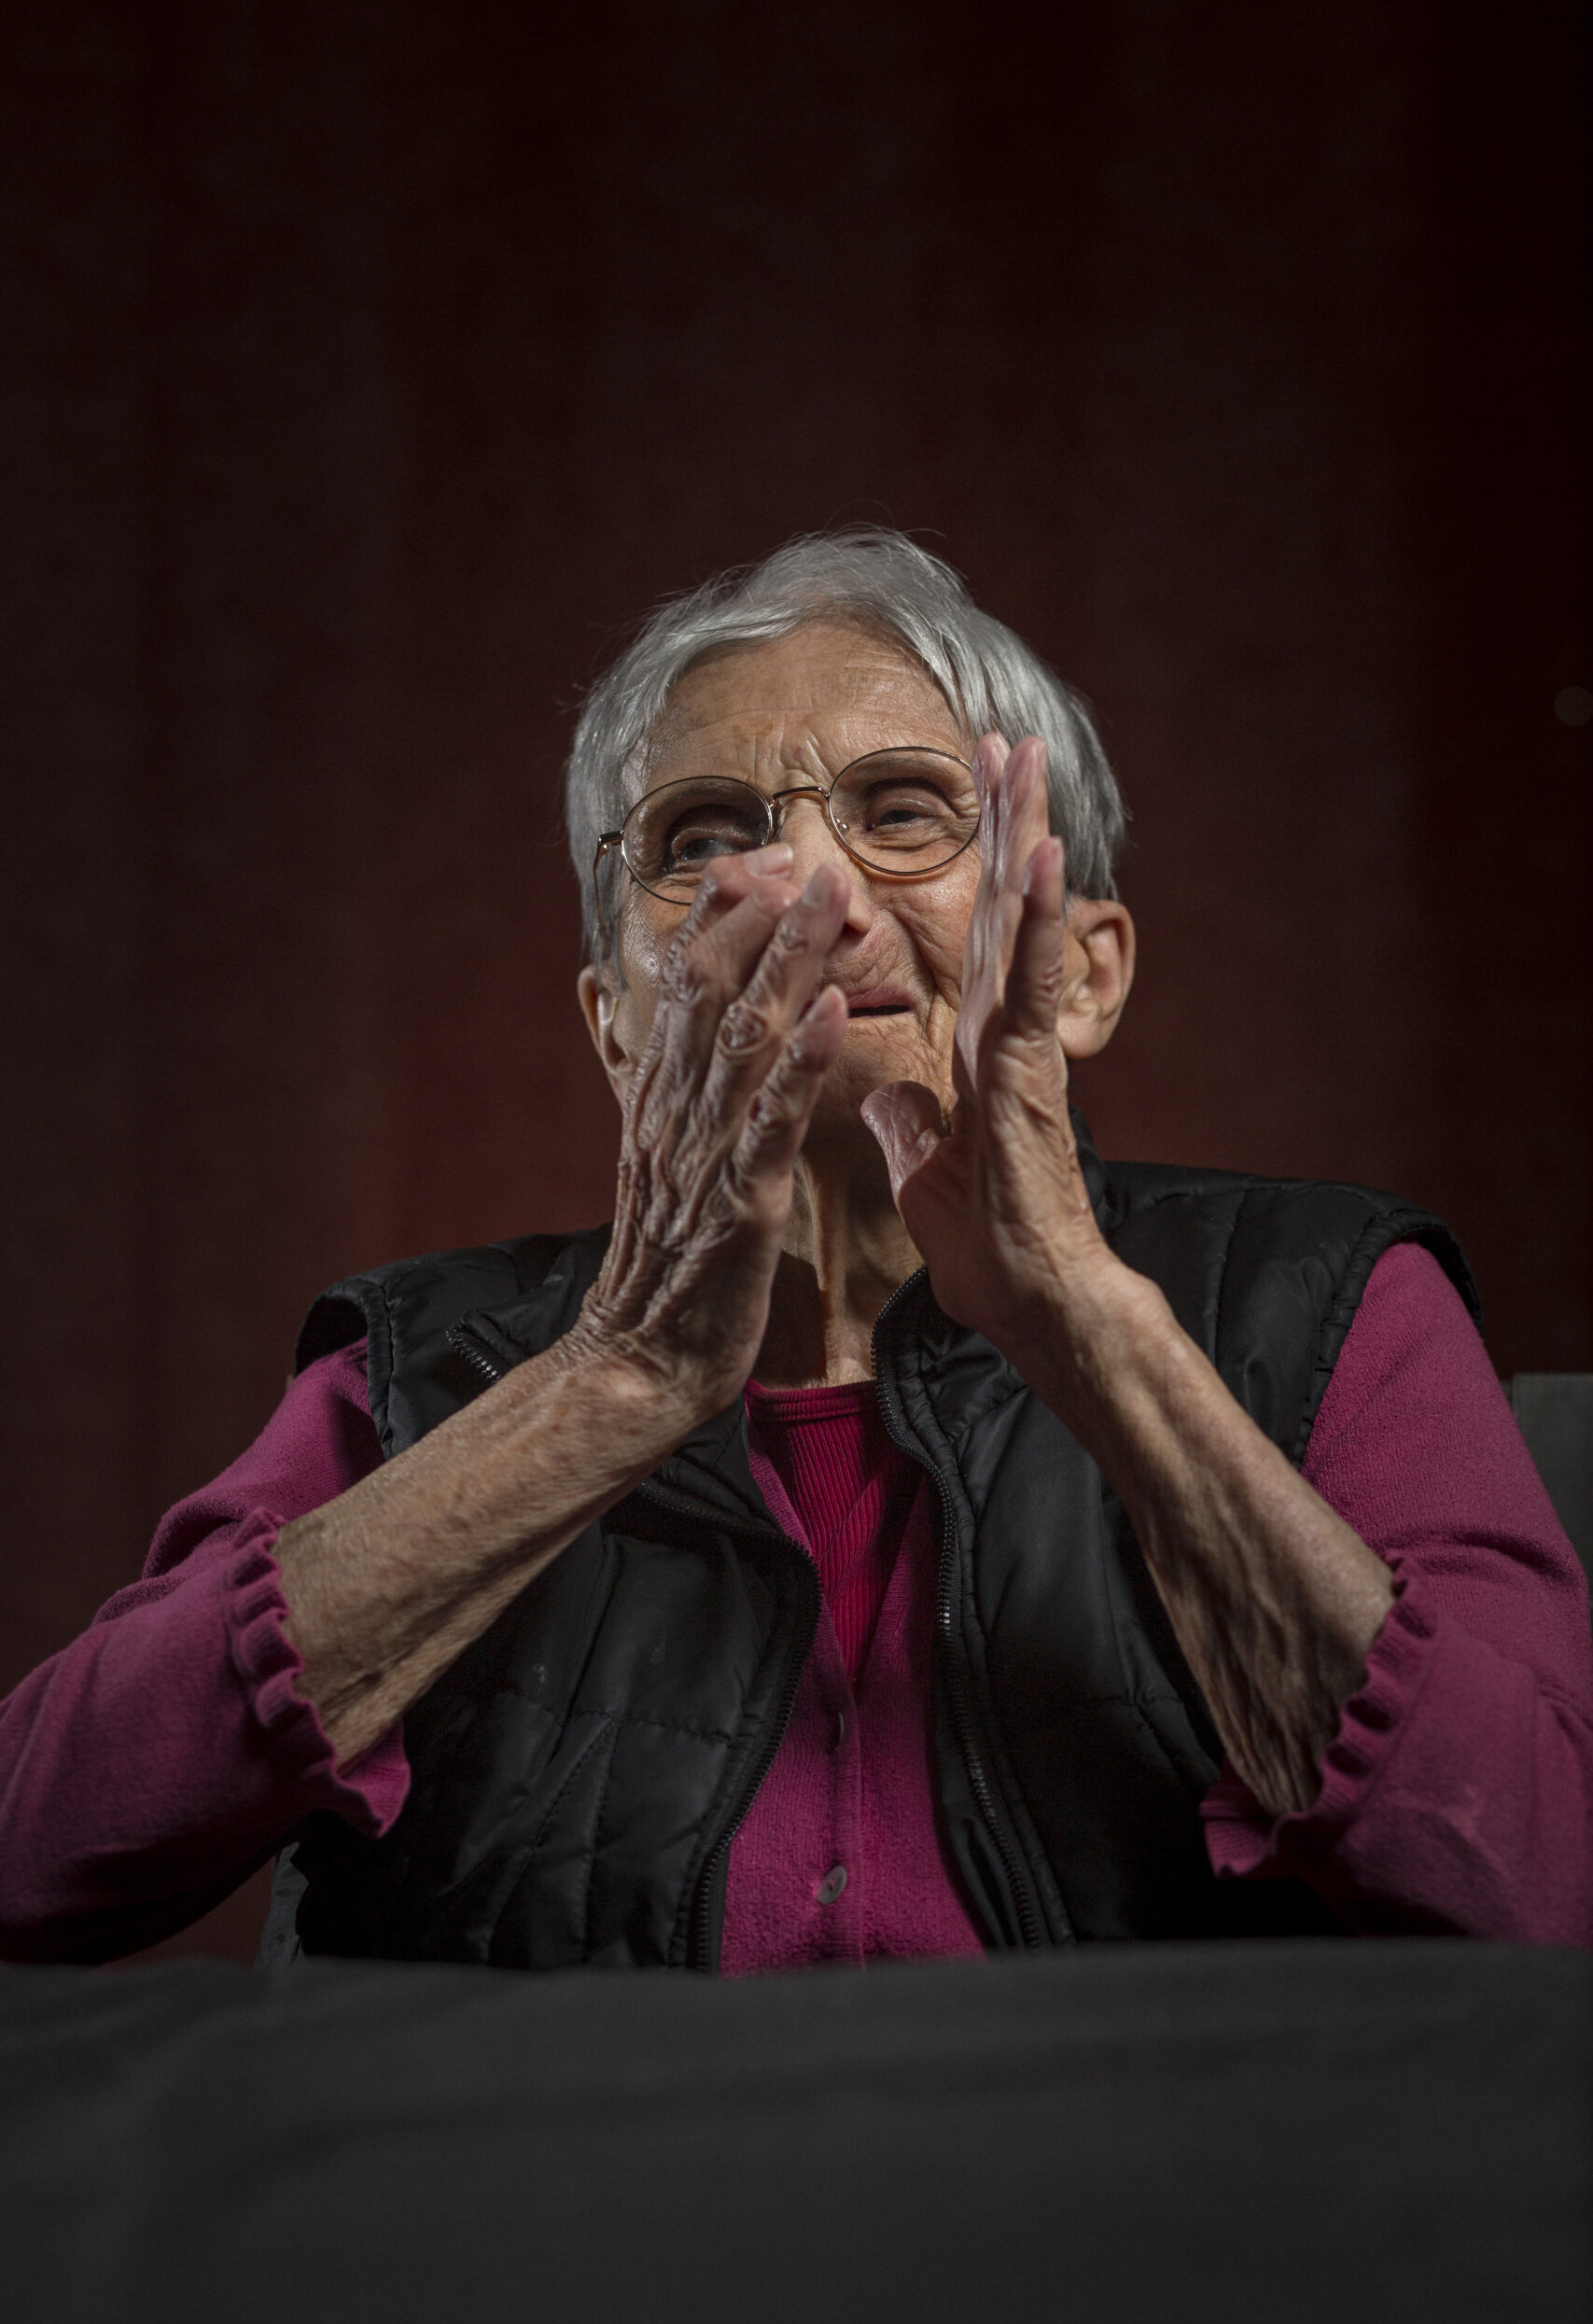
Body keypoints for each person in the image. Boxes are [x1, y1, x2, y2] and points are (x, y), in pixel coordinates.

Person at [3, 531, 1589, 1968]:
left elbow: (1548, 1881)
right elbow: (36, 1849)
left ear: (1087, 971)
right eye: (706, 834)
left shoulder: (1326, 1300)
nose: (815, 893)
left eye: (904, 811)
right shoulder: (421, 1368)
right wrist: (610, 1388)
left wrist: (1091, 1334)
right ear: (617, 1023)